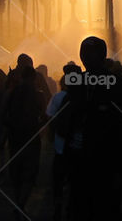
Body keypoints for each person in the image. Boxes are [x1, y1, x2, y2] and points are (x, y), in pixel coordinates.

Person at [55, 36, 122, 221]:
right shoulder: (76, 84)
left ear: (102, 56)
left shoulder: (118, 86)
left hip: (106, 162)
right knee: (78, 209)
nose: (87, 58)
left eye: (92, 53)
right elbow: (63, 121)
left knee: (106, 209)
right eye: (84, 53)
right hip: (78, 161)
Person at [5, 64, 47, 218]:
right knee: (29, 171)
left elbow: (5, 114)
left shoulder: (11, 92)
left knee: (17, 170)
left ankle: (18, 202)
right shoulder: (39, 94)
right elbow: (44, 115)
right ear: (34, 78)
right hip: (31, 136)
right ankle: (21, 203)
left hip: (15, 136)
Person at [45, 63, 74, 221]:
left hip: (59, 146)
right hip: (75, 146)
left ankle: (57, 206)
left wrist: (51, 134)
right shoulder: (80, 97)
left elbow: (49, 117)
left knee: (58, 180)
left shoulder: (57, 97)